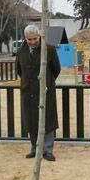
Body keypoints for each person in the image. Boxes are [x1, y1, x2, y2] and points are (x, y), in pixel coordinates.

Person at [16, 24, 61, 161]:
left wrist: (47, 82)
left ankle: (47, 150)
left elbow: (56, 69)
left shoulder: (49, 49)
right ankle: (35, 148)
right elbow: (19, 70)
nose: (32, 42)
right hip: (28, 92)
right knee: (31, 121)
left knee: (47, 119)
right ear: (25, 38)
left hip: (45, 91)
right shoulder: (21, 51)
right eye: (29, 39)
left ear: (39, 36)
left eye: (35, 38)